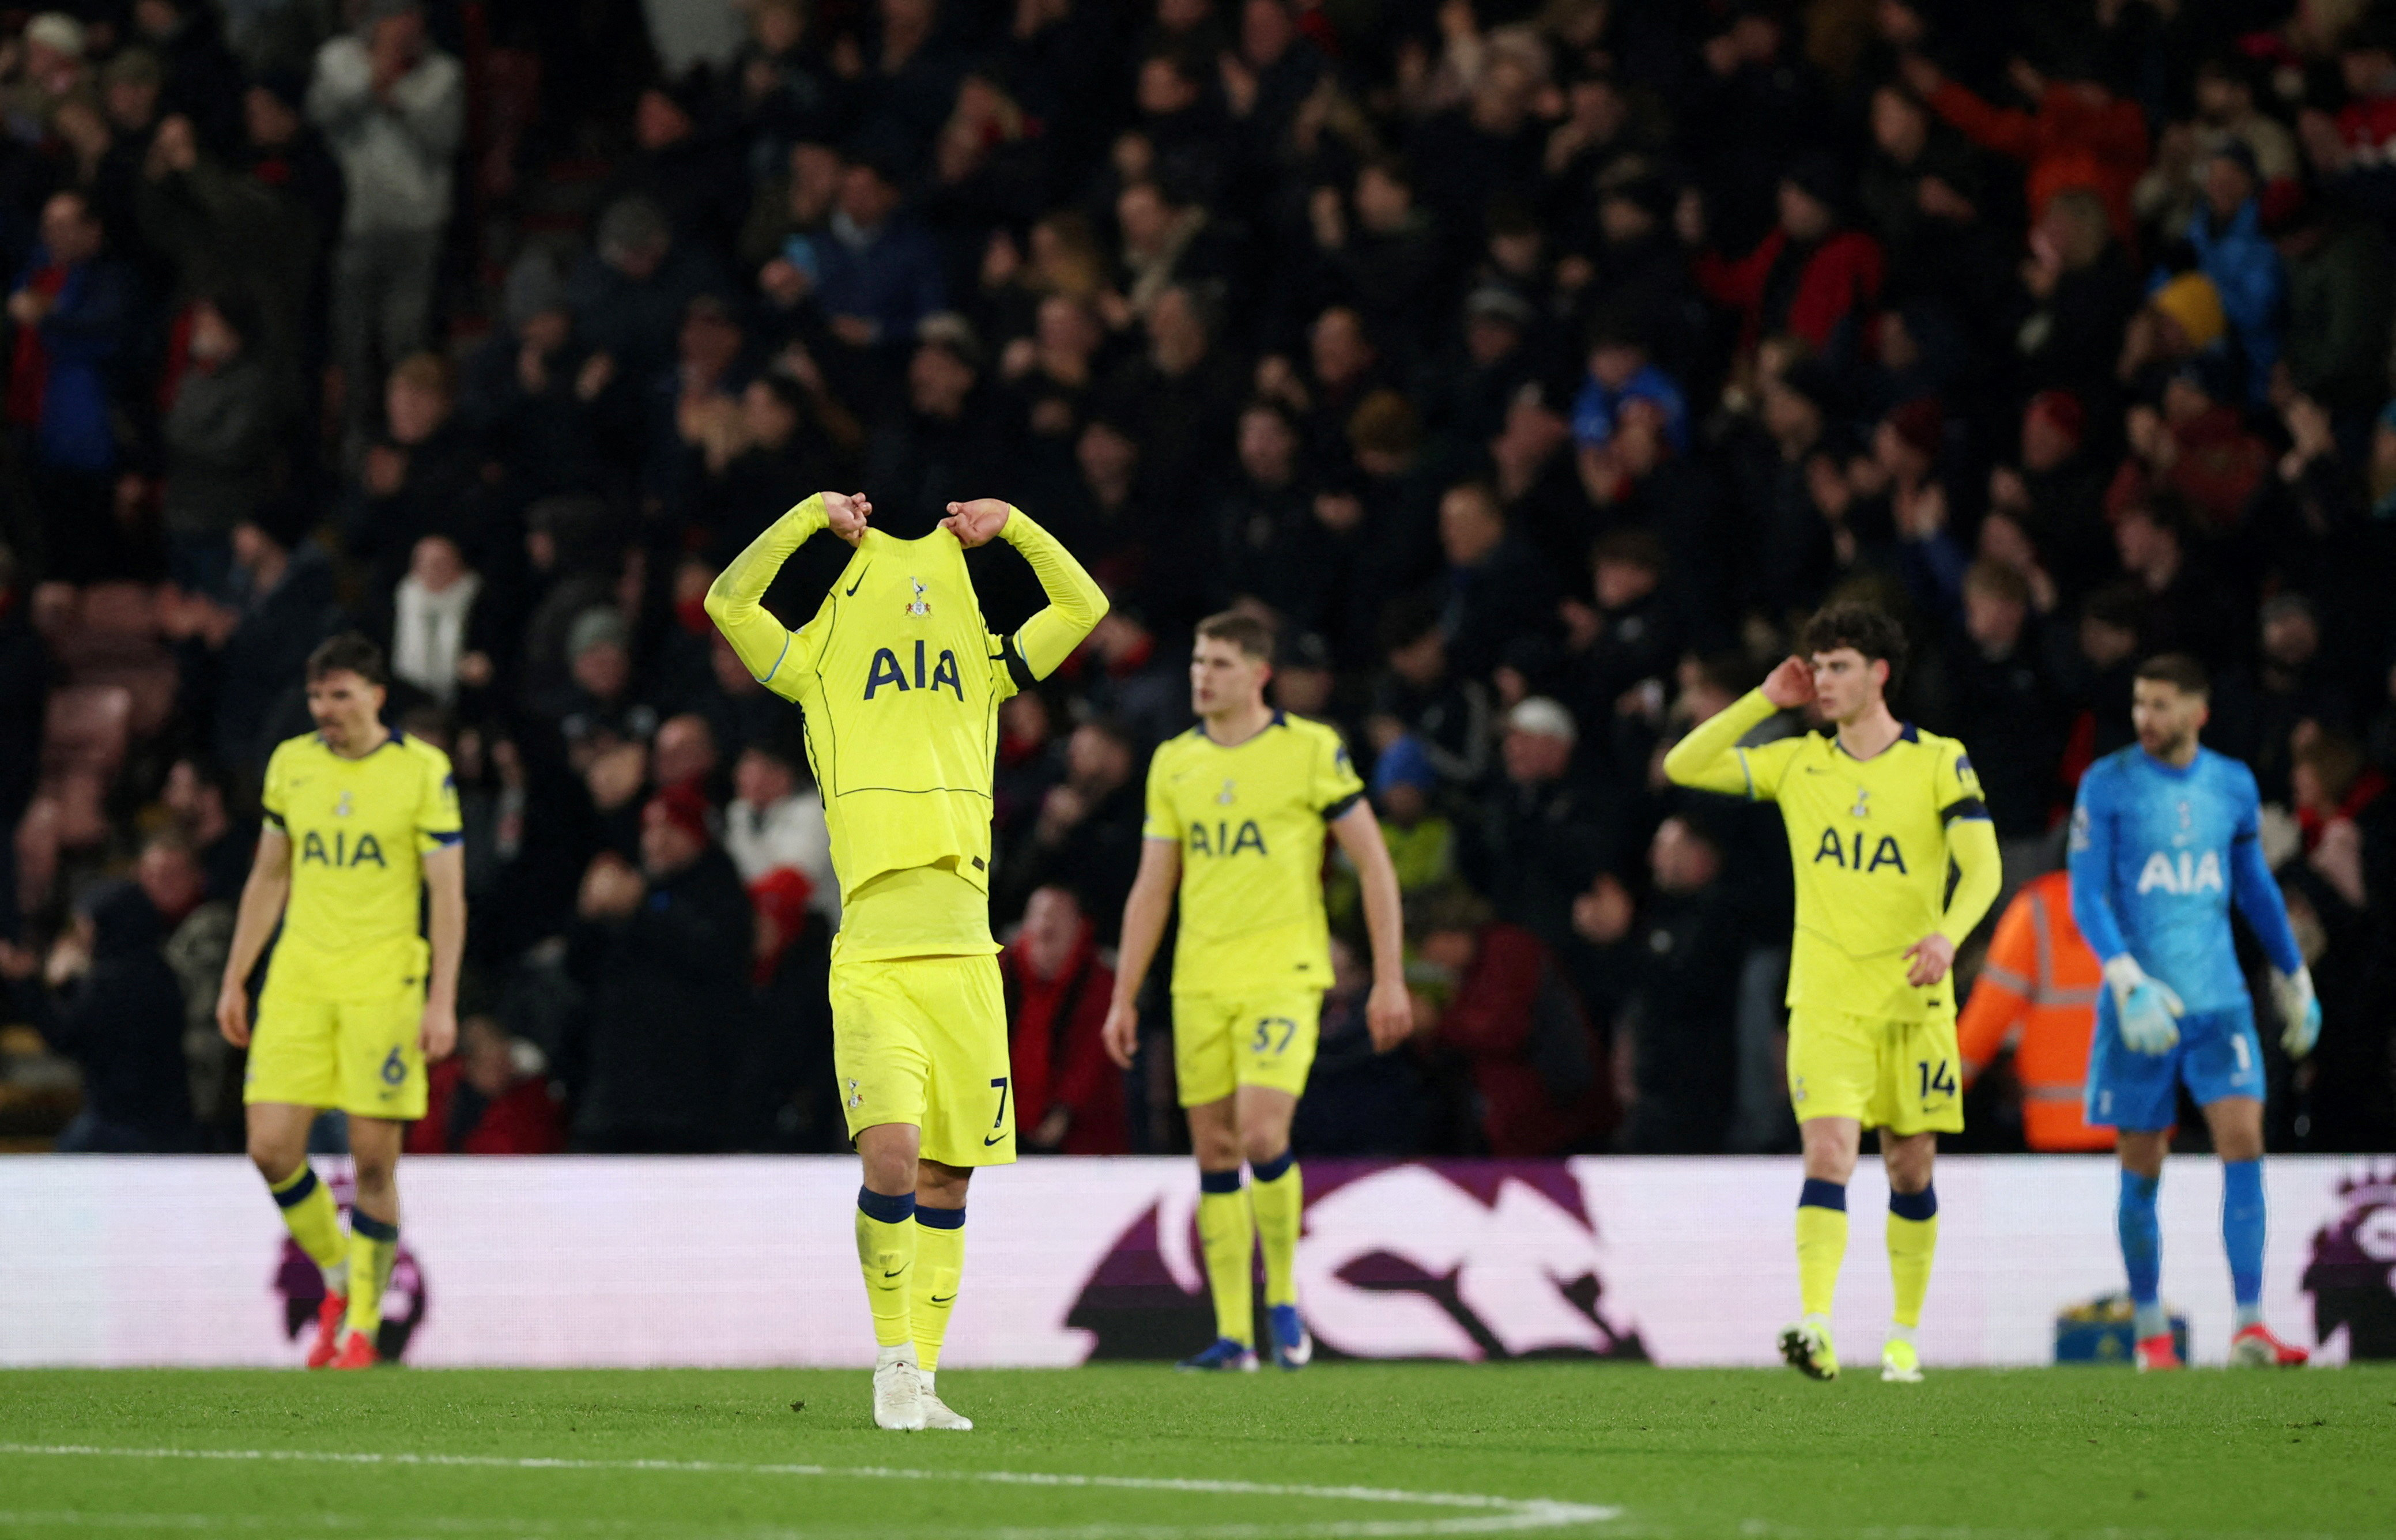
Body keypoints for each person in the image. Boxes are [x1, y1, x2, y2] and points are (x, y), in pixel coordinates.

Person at [705, 489, 1104, 1432]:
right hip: (876, 952)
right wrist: (805, 517)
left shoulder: (990, 663)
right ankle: (889, 1359)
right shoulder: (812, 663)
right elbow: (729, 599)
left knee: (949, 1180)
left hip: (967, 951)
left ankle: (923, 1376)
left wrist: (1020, 529)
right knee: (891, 1158)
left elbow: (1083, 606)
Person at [1663, 602, 2001, 1384]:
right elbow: (1683, 765)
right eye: (1815, 666)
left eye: (1838, 666)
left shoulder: (1938, 761)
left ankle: (1903, 1337)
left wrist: (1947, 935)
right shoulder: (1797, 762)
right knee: (1828, 1152)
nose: (1822, 680)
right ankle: (1815, 1324)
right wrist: (1760, 701)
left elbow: (1981, 867)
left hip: (1913, 1001)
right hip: (1823, 1000)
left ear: (1880, 674)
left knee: (1910, 1165)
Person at [1103, 610, 1411, 1372]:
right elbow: (1152, 887)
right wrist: (1123, 994)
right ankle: (1235, 1335)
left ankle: (1284, 1300)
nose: (1202, 676)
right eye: (1198, 663)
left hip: (1283, 976)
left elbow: (1373, 864)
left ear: (1258, 674)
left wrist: (1389, 978)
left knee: (1263, 1134)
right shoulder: (1175, 761)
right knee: (1212, 1151)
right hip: (1200, 982)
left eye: (1219, 664)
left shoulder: (1309, 751)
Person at [214, 632, 465, 1371]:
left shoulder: (423, 772)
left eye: (341, 694)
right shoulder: (292, 764)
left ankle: (361, 1320)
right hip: (298, 979)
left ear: (377, 695)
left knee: (373, 1161)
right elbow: (268, 876)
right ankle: (333, 1276)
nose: (326, 710)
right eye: (318, 695)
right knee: (270, 1147)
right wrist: (237, 974)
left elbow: (446, 895)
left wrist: (441, 998)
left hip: (383, 983)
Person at [2066, 654, 2319, 1371]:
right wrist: (2124, 979)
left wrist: (2293, 973)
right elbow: (2087, 894)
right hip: (2138, 1005)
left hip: (2219, 1001)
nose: (2144, 718)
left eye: (2159, 705)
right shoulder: (2107, 784)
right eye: (2139, 704)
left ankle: (2247, 1325)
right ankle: (2150, 1334)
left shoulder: (2230, 784)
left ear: (2196, 712)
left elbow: (2253, 888)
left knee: (2243, 1141)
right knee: (2141, 1163)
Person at [1956, 870, 2113, 1153]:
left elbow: (1988, 1018)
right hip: (2141, 1129)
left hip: (2059, 1127)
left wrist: (1936, 1096)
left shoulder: (2039, 908)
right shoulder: (2148, 901)